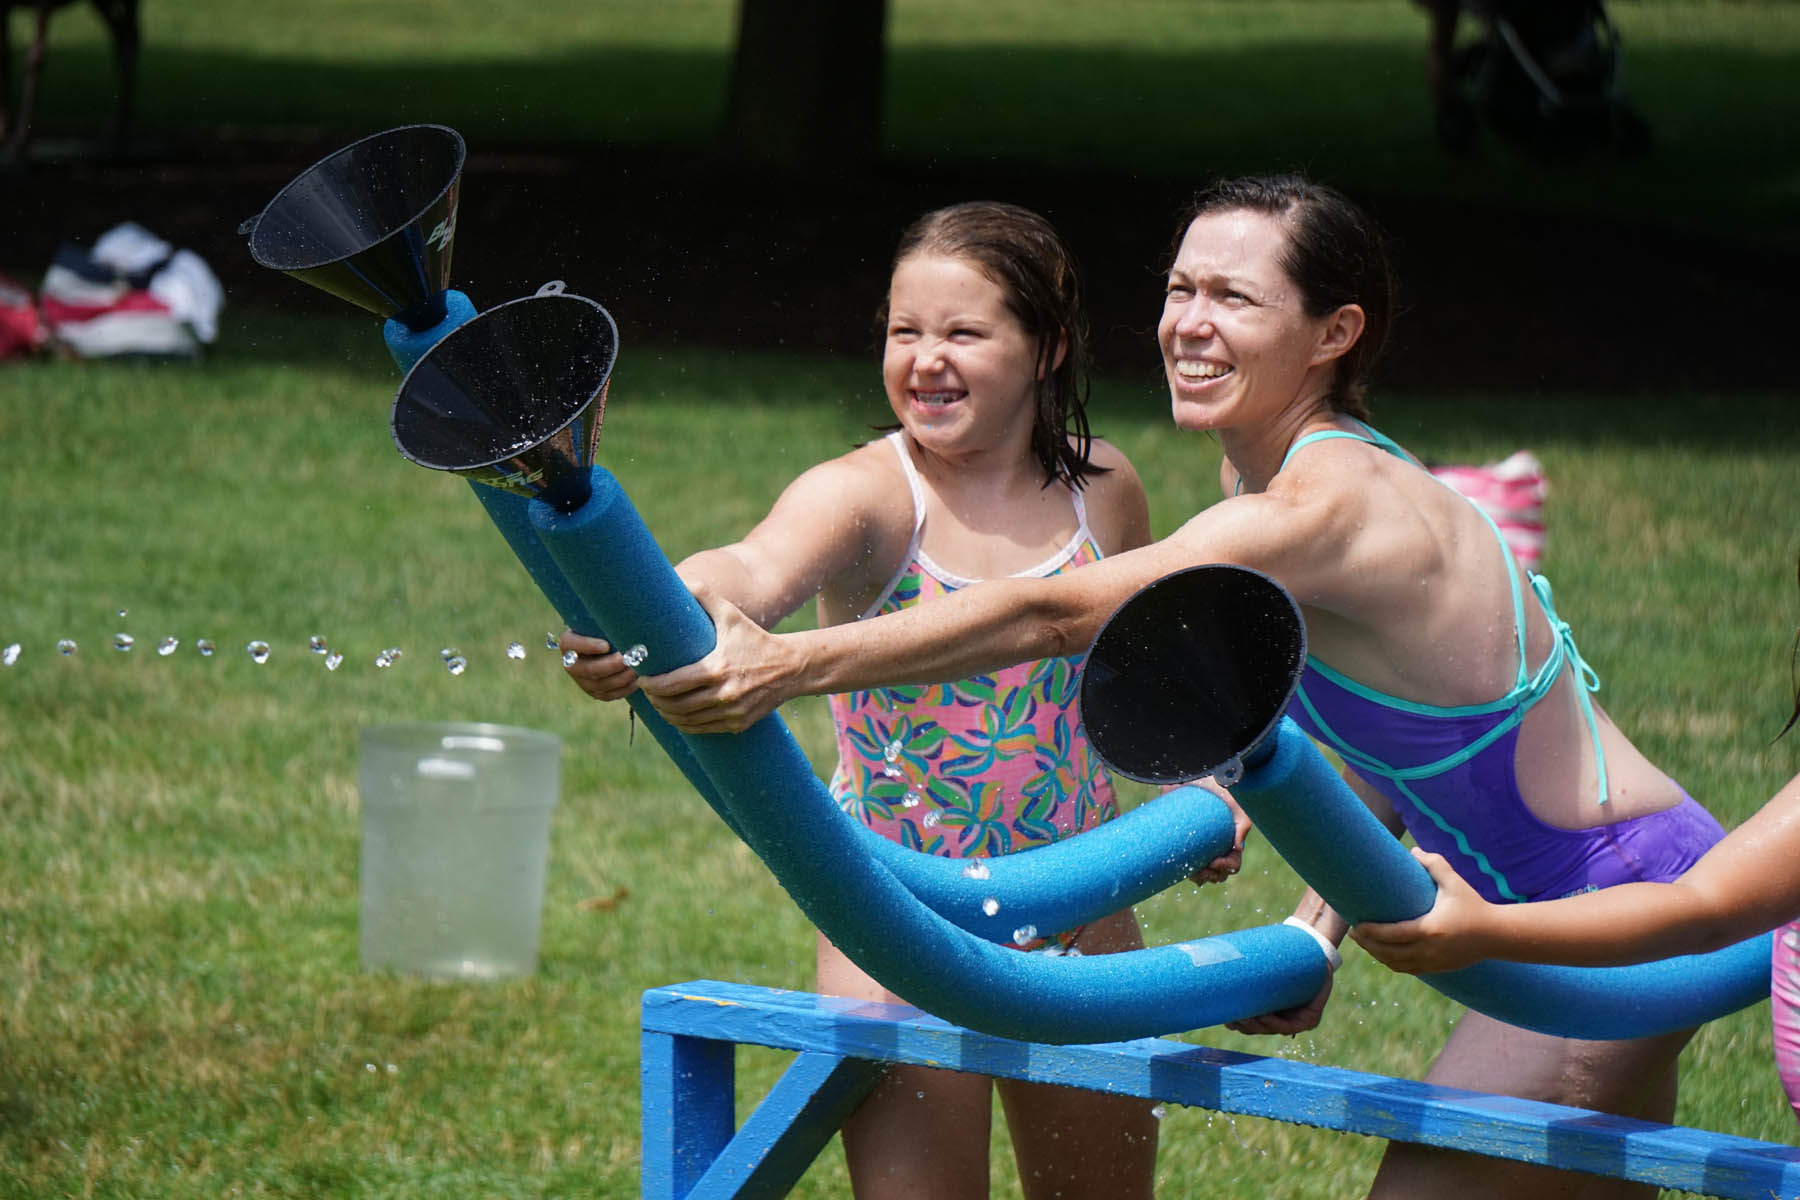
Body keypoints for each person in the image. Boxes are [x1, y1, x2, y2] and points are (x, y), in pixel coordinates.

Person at [636, 174, 1731, 1199]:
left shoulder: (1315, 510)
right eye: (1180, 289)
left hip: (1619, 898)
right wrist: (1318, 926)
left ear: (1333, 334)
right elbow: (1382, 743)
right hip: (1541, 901)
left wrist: (786, 666)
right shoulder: (1256, 479)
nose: (1189, 322)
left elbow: (1055, 613)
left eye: (1233, 298)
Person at [562, 201, 1193, 1200]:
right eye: (905, 331)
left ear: (1048, 348)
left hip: (1081, 900)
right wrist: (639, 607)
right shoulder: (866, 494)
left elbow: (1137, 664)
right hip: (893, 913)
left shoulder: (1105, 487)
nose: (925, 359)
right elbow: (747, 568)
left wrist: (1199, 796)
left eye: (962, 332)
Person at [1353, 584, 1800, 1123]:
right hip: (1624, 900)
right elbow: (1702, 903)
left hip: (1622, 876)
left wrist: (1488, 929)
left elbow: (1701, 908)